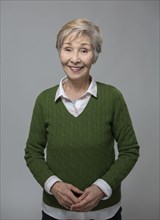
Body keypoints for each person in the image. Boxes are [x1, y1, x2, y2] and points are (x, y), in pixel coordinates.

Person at [25, 18, 140, 220]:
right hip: (55, 212)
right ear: (59, 51)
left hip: (105, 212)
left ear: (94, 56)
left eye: (84, 50)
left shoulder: (113, 97)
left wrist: (101, 188)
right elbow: (33, 152)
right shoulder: (44, 100)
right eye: (68, 49)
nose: (75, 59)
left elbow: (130, 150)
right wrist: (54, 185)